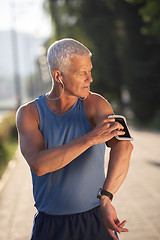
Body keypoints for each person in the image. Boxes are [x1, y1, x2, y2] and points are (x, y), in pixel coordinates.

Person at [16, 38, 133, 240]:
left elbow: (124, 147)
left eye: (90, 71)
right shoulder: (28, 113)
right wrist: (89, 139)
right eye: (82, 74)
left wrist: (106, 198)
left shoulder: (96, 104)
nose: (90, 79)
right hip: (49, 225)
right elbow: (39, 165)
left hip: (94, 219)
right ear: (58, 76)